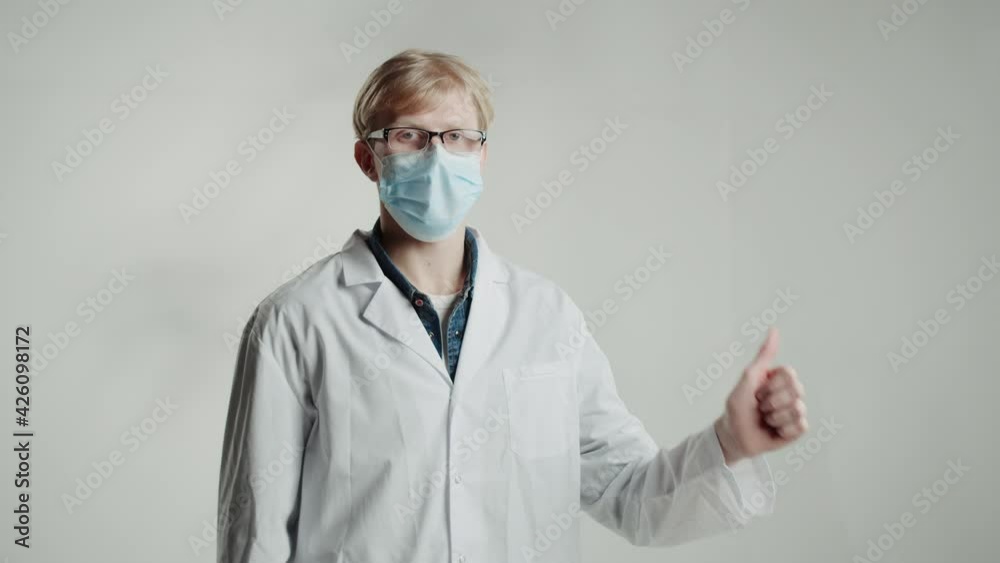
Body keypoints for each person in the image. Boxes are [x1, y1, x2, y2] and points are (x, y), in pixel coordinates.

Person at [217, 48, 808, 563]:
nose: (436, 155)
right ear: (368, 158)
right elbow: (256, 535)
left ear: (482, 156)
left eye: (456, 137)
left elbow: (631, 495)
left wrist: (732, 443)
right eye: (409, 135)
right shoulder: (296, 320)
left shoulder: (547, 317)